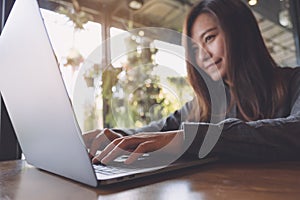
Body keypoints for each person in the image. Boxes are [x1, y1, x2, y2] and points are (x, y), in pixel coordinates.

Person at [84, 0, 300, 165]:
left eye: (209, 38)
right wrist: (117, 136)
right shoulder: (202, 106)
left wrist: (190, 139)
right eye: (194, 49)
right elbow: (158, 131)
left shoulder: (294, 82)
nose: (202, 55)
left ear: (240, 33)